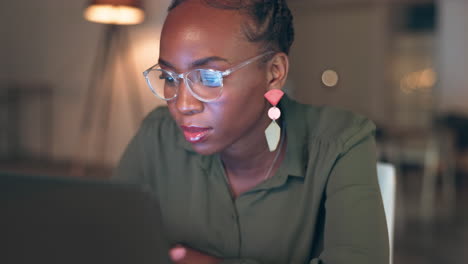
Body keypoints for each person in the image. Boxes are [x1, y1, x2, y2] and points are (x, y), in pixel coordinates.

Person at [114, 0, 389, 263]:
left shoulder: (341, 142)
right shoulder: (158, 135)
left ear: (274, 73)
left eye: (209, 77)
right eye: (168, 77)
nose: (183, 104)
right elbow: (106, 239)